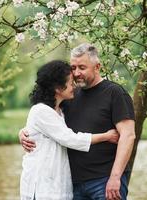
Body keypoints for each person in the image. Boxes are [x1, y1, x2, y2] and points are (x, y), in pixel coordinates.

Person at [20, 44, 136, 200]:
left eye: (82, 67)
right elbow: (51, 123)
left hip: (104, 180)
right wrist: (24, 132)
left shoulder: (114, 93)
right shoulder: (70, 95)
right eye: (73, 68)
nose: (76, 73)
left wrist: (115, 177)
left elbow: (128, 136)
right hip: (72, 184)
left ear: (97, 67)